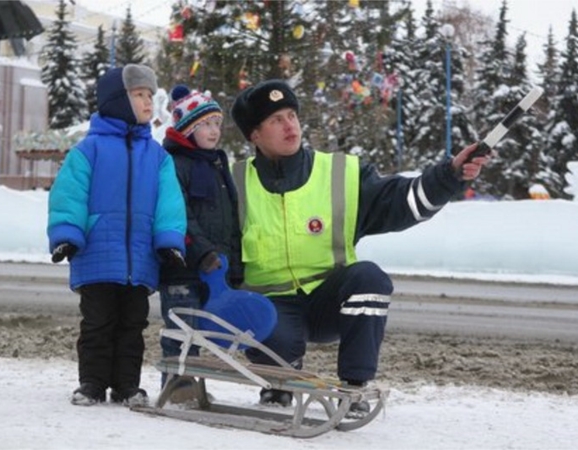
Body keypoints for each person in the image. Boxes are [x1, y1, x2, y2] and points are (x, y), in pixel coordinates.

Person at [230, 79, 489, 414]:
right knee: (272, 331)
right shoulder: (234, 182)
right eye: (275, 120)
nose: (289, 125)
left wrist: (450, 174)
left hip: (328, 300)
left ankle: (353, 387)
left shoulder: (341, 172)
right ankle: (279, 381)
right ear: (254, 135)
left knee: (369, 278)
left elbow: (402, 201)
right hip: (271, 307)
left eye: (292, 115)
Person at [47, 64, 188, 408]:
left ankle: (127, 386)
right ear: (116, 100)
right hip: (96, 255)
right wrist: (67, 233)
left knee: (132, 326)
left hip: (140, 258)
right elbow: (69, 195)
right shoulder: (88, 150)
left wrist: (169, 240)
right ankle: (92, 383)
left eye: (149, 96)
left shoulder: (157, 156)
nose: (146, 103)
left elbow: (169, 201)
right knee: (96, 323)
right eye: (138, 95)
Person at [158, 85, 243, 402]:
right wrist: (202, 251)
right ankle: (175, 386)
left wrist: (234, 266)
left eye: (217, 124)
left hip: (213, 269)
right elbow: (178, 214)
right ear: (188, 127)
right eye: (206, 124)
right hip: (181, 267)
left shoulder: (217, 165)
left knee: (202, 332)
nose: (214, 131)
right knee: (181, 329)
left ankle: (193, 387)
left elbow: (231, 221)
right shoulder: (175, 164)